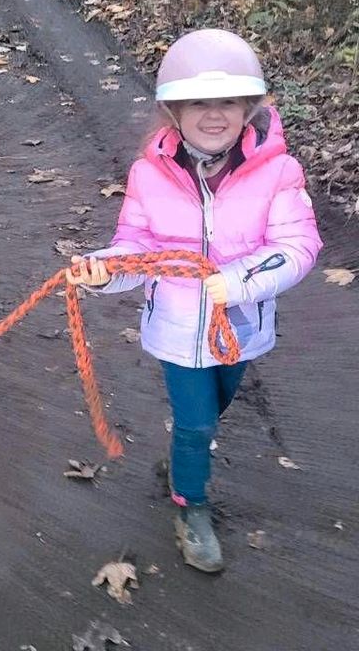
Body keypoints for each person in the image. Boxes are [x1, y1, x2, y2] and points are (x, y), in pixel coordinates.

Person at [67, 28, 322, 572]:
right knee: (198, 422)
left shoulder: (278, 172)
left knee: (217, 405)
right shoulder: (147, 175)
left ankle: (185, 455)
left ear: (248, 108)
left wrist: (241, 280)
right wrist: (103, 271)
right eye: (197, 103)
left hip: (242, 328)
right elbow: (135, 246)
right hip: (178, 333)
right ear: (174, 111)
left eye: (227, 101)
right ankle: (190, 505)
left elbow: (297, 245)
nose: (213, 115)